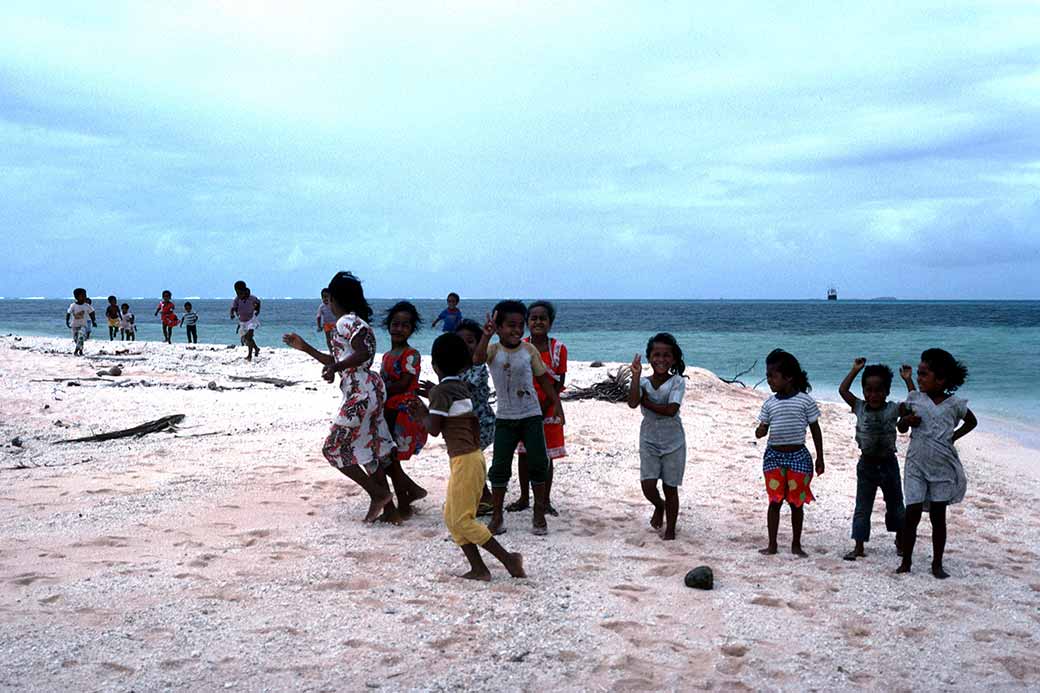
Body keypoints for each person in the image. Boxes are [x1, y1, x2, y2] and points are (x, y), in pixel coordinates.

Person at [282, 272, 401, 524]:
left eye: (329, 299)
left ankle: (378, 494)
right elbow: (341, 360)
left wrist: (336, 368)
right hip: (369, 389)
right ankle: (390, 512)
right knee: (368, 449)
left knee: (332, 448)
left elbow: (362, 351)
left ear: (334, 299)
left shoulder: (345, 322)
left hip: (360, 393)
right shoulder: (355, 321)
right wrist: (306, 348)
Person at [408, 333, 526, 581]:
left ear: (434, 366)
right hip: (472, 457)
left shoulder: (442, 391)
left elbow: (434, 428)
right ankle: (479, 569)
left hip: (464, 461)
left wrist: (421, 413)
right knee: (452, 517)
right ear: (464, 364)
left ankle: (508, 559)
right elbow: (468, 420)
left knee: (461, 520)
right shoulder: (461, 387)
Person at [474, 301, 564, 537]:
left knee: (538, 463)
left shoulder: (529, 351)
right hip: (504, 419)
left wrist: (557, 405)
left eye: (519, 326)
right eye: (510, 325)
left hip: (531, 416)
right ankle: (497, 517)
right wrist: (485, 336)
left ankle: (538, 513)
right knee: (500, 466)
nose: (516, 330)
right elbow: (476, 358)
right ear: (499, 327)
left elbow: (544, 379)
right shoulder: (493, 350)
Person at [897, 349, 977, 579]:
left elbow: (972, 421)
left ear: (940, 379)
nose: (920, 378)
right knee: (911, 513)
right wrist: (906, 421)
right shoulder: (915, 399)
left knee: (938, 517)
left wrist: (954, 436)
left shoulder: (954, 405)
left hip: (942, 468)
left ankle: (937, 564)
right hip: (915, 465)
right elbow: (901, 426)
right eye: (919, 374)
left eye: (924, 374)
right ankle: (906, 561)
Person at [839, 358, 915, 561]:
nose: (873, 395)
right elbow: (843, 391)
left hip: (889, 463)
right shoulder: (859, 407)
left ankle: (900, 541)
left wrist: (908, 379)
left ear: (887, 392)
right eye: (868, 390)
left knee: (896, 505)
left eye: (879, 390)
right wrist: (855, 370)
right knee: (862, 506)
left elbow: (914, 402)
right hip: (867, 465)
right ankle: (858, 545)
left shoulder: (892, 409)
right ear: (863, 391)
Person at [755, 349, 825, 557]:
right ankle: (772, 544)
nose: (769, 380)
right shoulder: (769, 403)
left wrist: (820, 457)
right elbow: (763, 429)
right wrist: (759, 431)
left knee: (796, 503)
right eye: (767, 375)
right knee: (774, 501)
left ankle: (796, 544)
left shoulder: (805, 401)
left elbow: (815, 429)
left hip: (799, 457)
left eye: (772, 376)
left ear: (789, 377)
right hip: (774, 457)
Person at [507, 300, 568, 516]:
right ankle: (524, 497)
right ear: (527, 322)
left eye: (543, 318)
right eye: (533, 318)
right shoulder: (519, 347)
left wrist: (546, 406)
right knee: (524, 454)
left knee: (545, 456)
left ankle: (544, 500)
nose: (538, 321)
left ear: (550, 323)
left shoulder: (559, 349)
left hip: (549, 409)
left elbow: (559, 383)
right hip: (524, 409)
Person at [627, 333, 687, 541]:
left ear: (674, 359)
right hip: (649, 438)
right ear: (649, 357)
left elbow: (671, 409)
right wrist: (635, 376)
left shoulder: (677, 382)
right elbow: (633, 402)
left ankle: (670, 529)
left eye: (666, 355)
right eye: (656, 354)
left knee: (670, 486)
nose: (661, 359)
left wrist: (648, 403)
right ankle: (659, 506)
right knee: (648, 485)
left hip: (674, 441)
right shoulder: (643, 382)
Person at [379, 301, 429, 517]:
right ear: (388, 325)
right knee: (388, 458)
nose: (399, 328)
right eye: (395, 324)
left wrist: (380, 390)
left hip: (401, 412)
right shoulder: (386, 355)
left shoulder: (411, 354)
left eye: (405, 325)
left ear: (411, 329)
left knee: (390, 458)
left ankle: (405, 503)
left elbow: (404, 382)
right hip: (387, 410)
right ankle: (411, 493)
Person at [230, 280, 261, 361]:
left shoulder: (252, 298)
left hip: (251, 320)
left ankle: (250, 355)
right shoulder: (237, 299)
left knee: (249, 337)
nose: (238, 295)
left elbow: (258, 303)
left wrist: (257, 310)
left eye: (240, 293)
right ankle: (256, 348)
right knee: (246, 339)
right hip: (243, 321)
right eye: (237, 293)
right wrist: (232, 314)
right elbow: (232, 307)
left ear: (245, 290)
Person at [65, 288, 96, 356]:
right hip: (74, 325)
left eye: (85, 295)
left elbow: (92, 313)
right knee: (76, 339)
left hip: (83, 325)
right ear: (77, 297)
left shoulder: (87, 306)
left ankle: (77, 350)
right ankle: (80, 349)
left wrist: (93, 321)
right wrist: (67, 321)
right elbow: (68, 313)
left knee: (81, 337)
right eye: (83, 295)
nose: (85, 296)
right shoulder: (73, 305)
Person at [316, 288, 336, 353]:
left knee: (335, 338)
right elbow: (318, 316)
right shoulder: (321, 307)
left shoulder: (333, 305)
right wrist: (319, 326)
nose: (325, 299)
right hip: (326, 324)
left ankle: (336, 350)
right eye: (323, 297)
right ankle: (331, 351)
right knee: (328, 339)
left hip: (335, 323)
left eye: (327, 297)